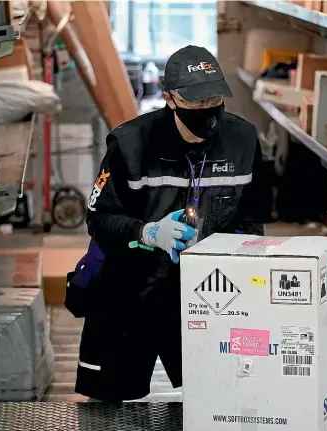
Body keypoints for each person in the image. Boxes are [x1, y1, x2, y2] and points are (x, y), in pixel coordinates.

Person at [72, 45, 265, 403]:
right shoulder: (130, 145)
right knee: (108, 408)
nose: (206, 111)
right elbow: (99, 221)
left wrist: (221, 246)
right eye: (194, 103)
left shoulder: (243, 141)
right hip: (129, 290)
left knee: (218, 399)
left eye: (213, 99)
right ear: (168, 99)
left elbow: (252, 221)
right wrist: (146, 233)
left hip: (209, 295)